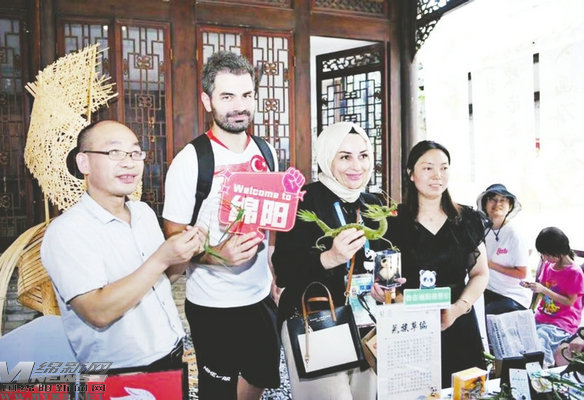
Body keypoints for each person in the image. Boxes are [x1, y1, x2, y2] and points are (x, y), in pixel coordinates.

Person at [41, 120, 205, 371]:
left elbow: (160, 280)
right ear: (84, 163)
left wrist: (185, 253)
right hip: (121, 371)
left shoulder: (143, 213)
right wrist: (161, 258)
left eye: (135, 153)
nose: (129, 162)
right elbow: (97, 312)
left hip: (172, 352)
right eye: (114, 152)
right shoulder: (67, 231)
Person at [162, 51, 280, 400]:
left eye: (246, 95)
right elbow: (173, 238)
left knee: (258, 378)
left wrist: (273, 275)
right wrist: (218, 255)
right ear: (207, 100)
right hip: (213, 303)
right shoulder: (190, 161)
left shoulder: (266, 151)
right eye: (227, 96)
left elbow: (268, 224)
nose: (239, 106)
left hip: (259, 296)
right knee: (219, 391)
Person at [272, 121, 393, 400]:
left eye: (363, 156)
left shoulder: (373, 204)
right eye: (345, 157)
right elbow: (284, 270)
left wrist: (385, 285)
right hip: (316, 320)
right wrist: (329, 258)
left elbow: (380, 261)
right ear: (327, 158)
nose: (357, 166)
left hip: (366, 322)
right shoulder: (303, 201)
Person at [385, 140, 489, 388]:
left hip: (458, 321)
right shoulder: (393, 222)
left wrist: (458, 308)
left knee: (466, 391)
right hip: (410, 325)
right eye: (428, 168)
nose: (437, 176)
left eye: (444, 168)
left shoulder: (467, 219)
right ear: (411, 174)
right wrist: (402, 302)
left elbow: (480, 273)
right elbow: (386, 280)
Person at [522, 227, 584, 367]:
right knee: (522, 333)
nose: (544, 258)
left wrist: (544, 290)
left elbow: (570, 301)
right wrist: (532, 286)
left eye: (547, 254)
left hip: (562, 322)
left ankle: (543, 370)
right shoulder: (549, 266)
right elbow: (544, 287)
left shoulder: (574, 272)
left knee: (540, 339)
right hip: (542, 316)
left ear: (558, 252)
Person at [476, 184, 531, 315]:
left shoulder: (515, 235)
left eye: (503, 200)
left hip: (513, 296)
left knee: (485, 314)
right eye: (492, 199)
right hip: (490, 290)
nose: (497, 204)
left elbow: (521, 273)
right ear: (485, 204)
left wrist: (490, 264)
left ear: (510, 206)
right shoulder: (482, 231)